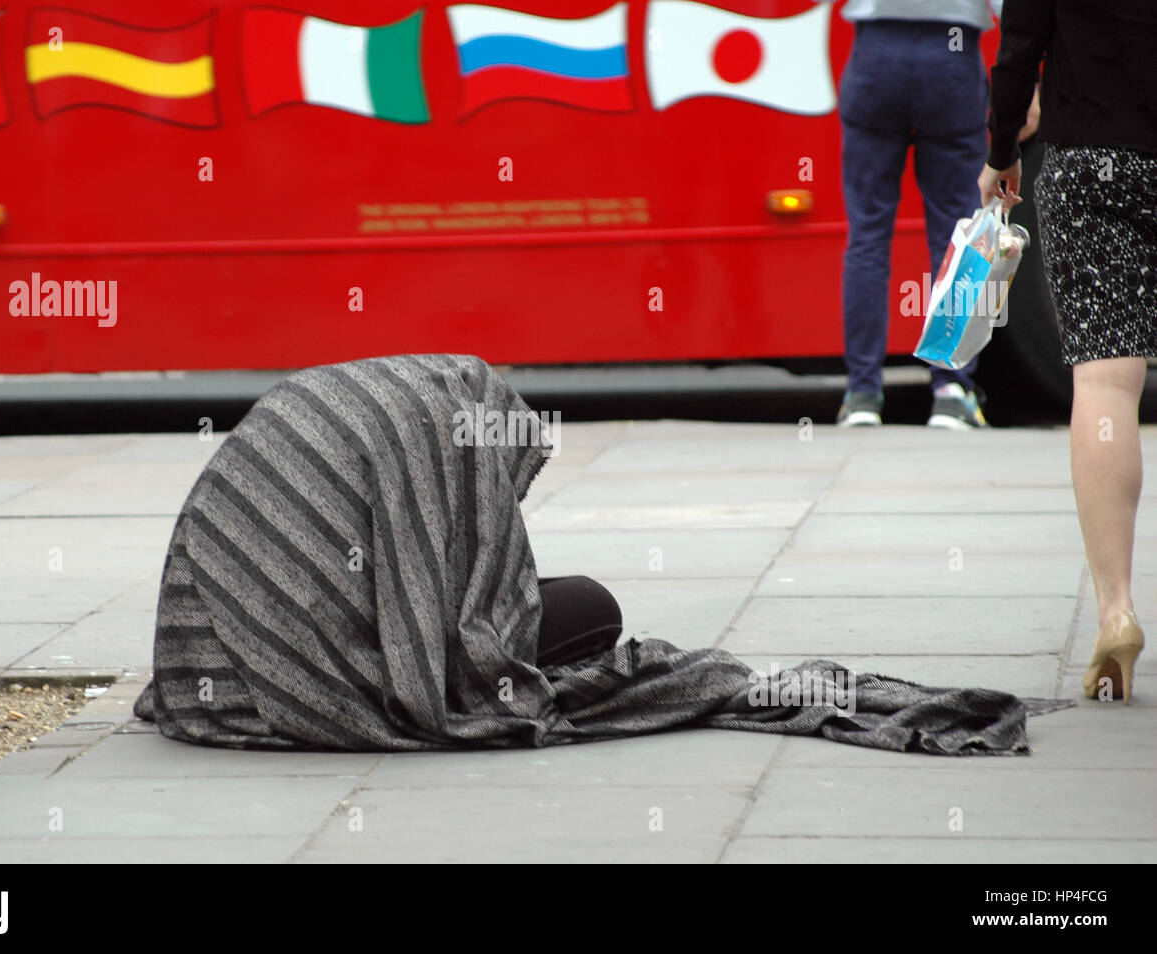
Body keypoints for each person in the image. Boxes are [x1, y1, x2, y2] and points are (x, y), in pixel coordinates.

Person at [133, 353, 1067, 754]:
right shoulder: (435, 455)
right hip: (326, 663)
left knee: (546, 599)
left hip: (202, 653)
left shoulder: (393, 410)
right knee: (594, 611)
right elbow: (466, 632)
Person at [981, 0, 1156, 703]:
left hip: (1092, 159)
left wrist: (1001, 152)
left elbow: (1019, 45)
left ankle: (1116, 610)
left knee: (1107, 383)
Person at [824, 0, 1036, 428]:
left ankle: (863, 393)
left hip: (875, 56)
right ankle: (950, 389)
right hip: (951, 58)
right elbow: (1014, 10)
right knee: (957, 233)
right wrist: (1029, 83)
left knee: (867, 234)